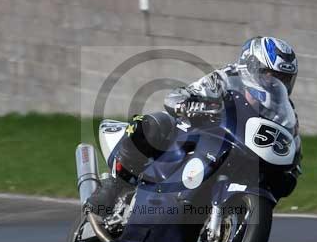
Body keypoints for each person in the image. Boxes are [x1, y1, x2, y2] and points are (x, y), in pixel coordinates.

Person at [86, 36, 301, 217]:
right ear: (251, 67)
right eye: (271, 75)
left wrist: (293, 165)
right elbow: (175, 97)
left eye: (284, 78)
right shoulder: (225, 78)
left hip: (239, 158)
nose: (277, 84)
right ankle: (116, 184)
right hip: (199, 136)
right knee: (153, 124)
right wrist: (193, 104)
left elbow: (292, 144)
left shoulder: (284, 113)